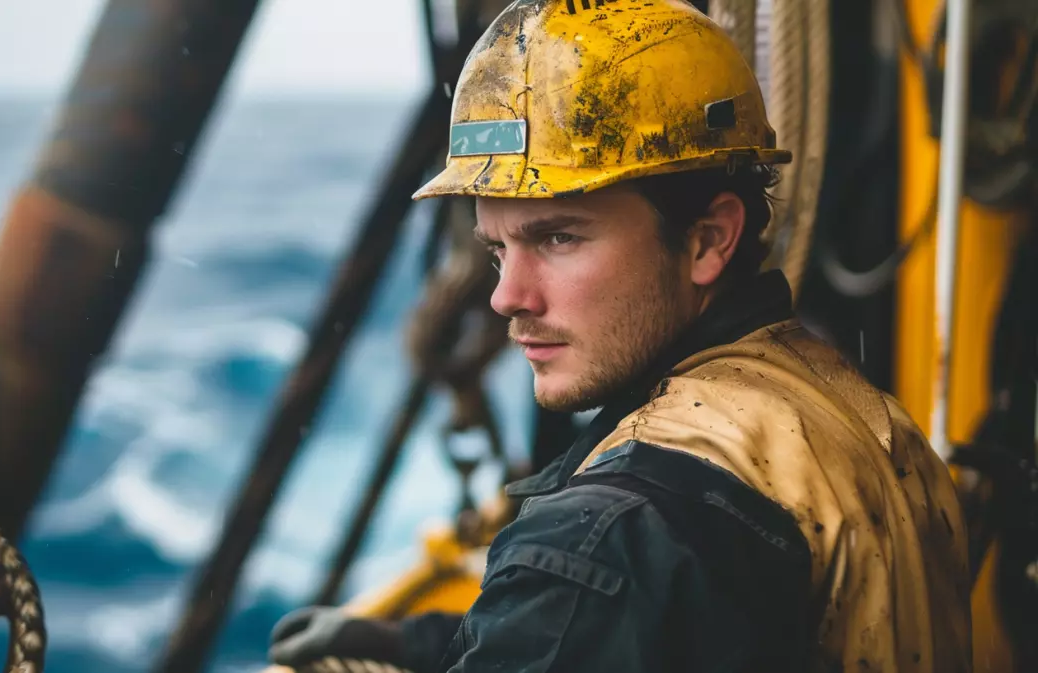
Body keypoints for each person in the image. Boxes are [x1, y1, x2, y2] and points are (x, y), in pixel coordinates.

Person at [270, 1, 971, 671]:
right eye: (497, 250)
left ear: (707, 240)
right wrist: (428, 646)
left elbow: (619, 598)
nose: (506, 296)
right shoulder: (858, 419)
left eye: (559, 237)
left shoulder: (609, 537)